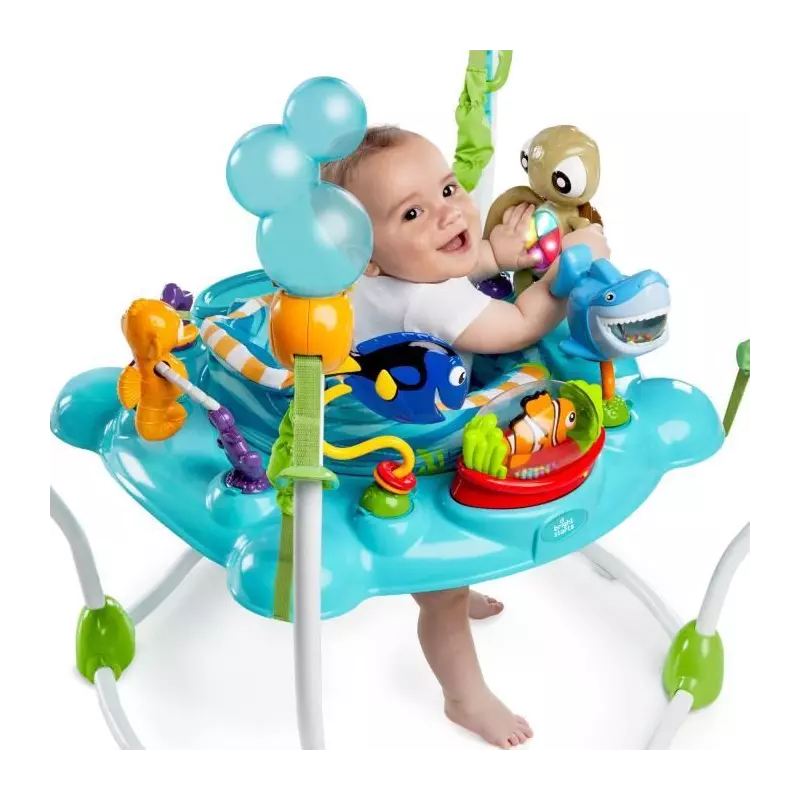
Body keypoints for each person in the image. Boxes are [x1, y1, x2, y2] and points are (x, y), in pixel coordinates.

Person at [322, 126, 610, 749]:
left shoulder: (384, 271)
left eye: (448, 189)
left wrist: (499, 253)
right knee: (442, 592)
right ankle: (463, 697)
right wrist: (565, 272)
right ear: (367, 256)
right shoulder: (427, 307)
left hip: (366, 405)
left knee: (450, 585)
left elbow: (449, 265)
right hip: (407, 456)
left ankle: (458, 599)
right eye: (413, 212)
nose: (449, 212)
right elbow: (518, 325)